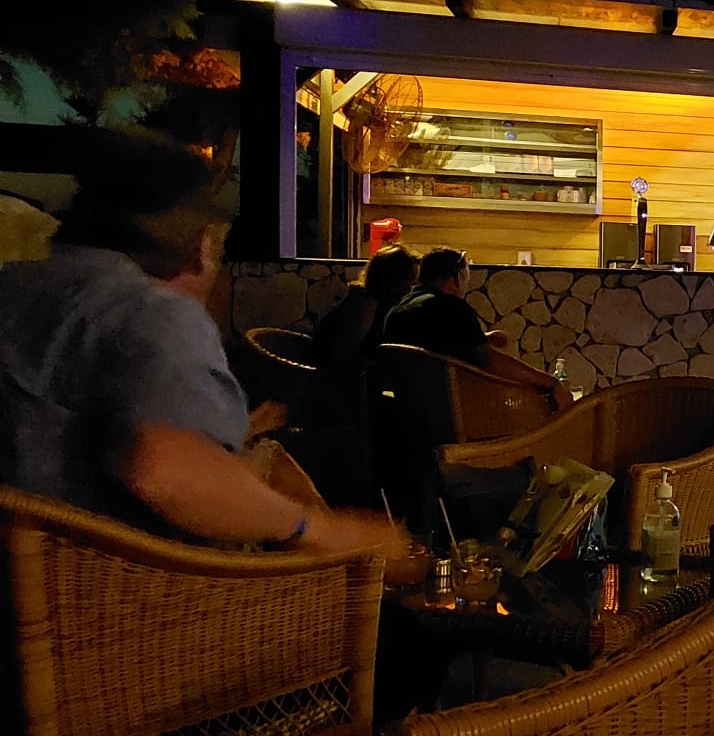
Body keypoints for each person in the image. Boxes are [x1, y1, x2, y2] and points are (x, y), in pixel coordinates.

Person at [0, 129, 397, 554]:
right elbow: (163, 468)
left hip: (22, 568)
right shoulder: (151, 310)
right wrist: (316, 529)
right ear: (200, 243)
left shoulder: (15, 285)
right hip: (119, 577)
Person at [383, 246, 570, 402]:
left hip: (410, 413)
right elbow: (491, 362)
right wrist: (552, 383)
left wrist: (482, 338)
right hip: (455, 414)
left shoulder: (398, 309)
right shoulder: (450, 307)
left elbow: (434, 346)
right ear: (457, 277)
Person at [312, 242, 420, 371]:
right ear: (393, 279)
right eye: (411, 279)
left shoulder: (380, 303)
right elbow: (344, 357)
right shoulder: (364, 303)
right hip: (334, 378)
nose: (414, 285)